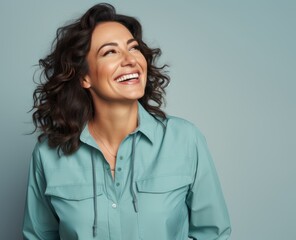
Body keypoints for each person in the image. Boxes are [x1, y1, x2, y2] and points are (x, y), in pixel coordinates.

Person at [22, 3, 231, 240]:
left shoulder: (185, 140)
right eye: (110, 52)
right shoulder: (48, 155)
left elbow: (213, 234)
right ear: (84, 77)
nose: (130, 60)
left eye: (133, 48)